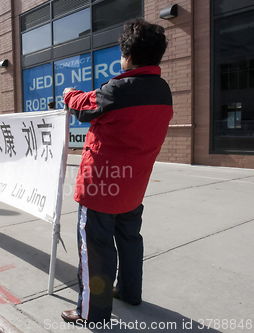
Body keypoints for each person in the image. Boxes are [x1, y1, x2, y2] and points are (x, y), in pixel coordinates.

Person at [61, 19, 173, 325]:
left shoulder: (118, 90)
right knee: (129, 239)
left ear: (128, 54)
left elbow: (84, 106)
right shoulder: (163, 92)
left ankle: (92, 313)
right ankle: (130, 292)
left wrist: (69, 93)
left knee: (95, 249)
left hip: (101, 187)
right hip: (133, 184)